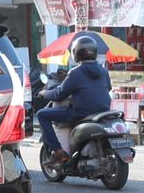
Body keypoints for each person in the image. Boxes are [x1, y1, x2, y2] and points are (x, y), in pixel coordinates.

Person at [37, 32, 112, 164]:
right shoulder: (103, 71)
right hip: (102, 111)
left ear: (76, 53)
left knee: (42, 114)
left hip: (81, 112)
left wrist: (44, 93)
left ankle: (58, 152)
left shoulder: (76, 72)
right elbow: (108, 88)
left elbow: (59, 94)